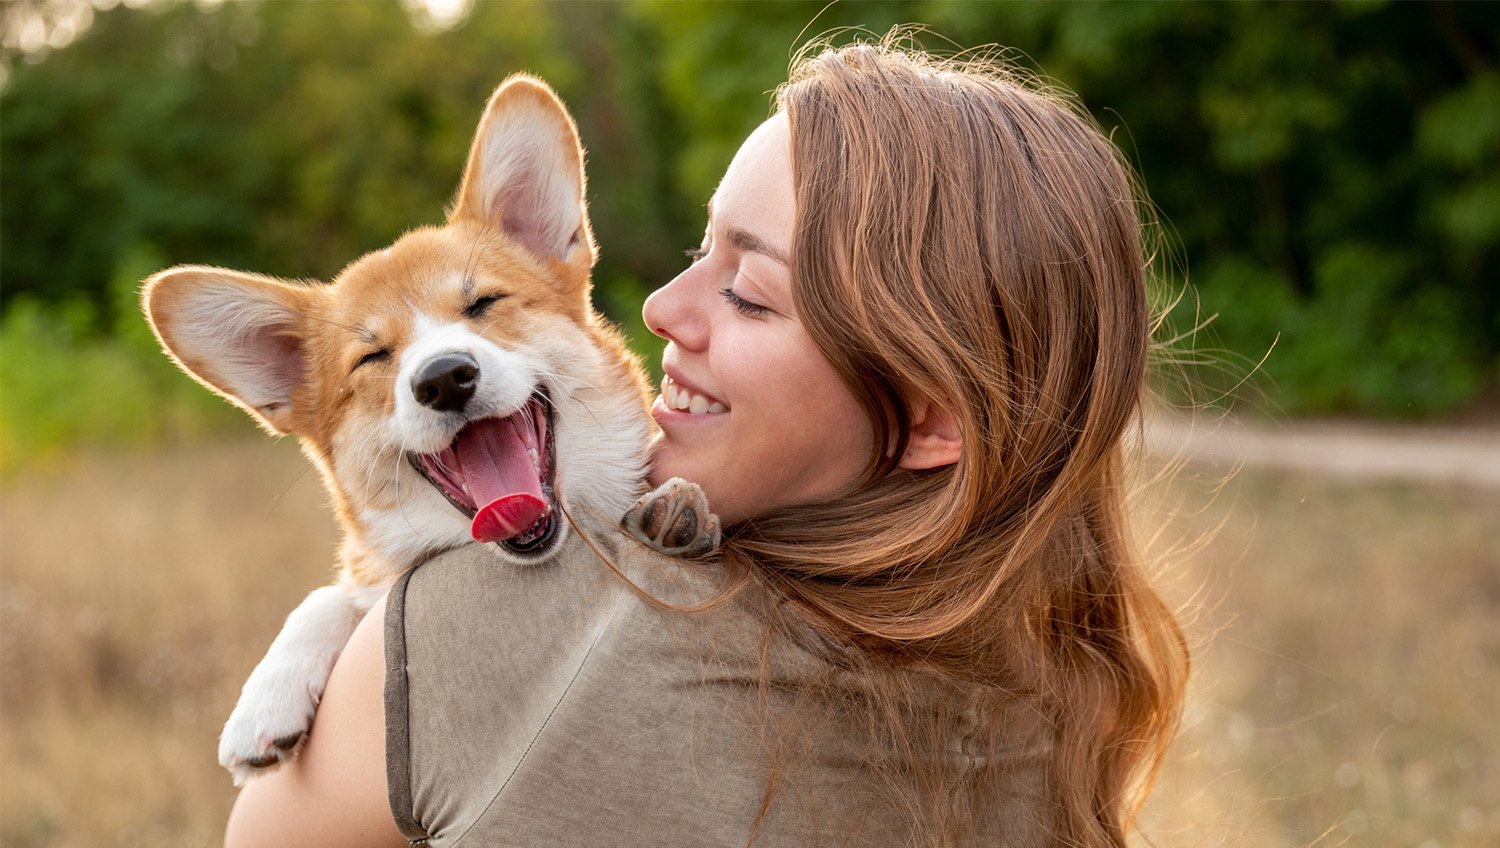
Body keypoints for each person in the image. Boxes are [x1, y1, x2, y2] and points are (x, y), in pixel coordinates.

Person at [224, 36, 1187, 848]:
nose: (653, 310)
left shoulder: (489, 632)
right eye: (699, 251)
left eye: (750, 291)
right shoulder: (1053, 715)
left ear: (932, 416)